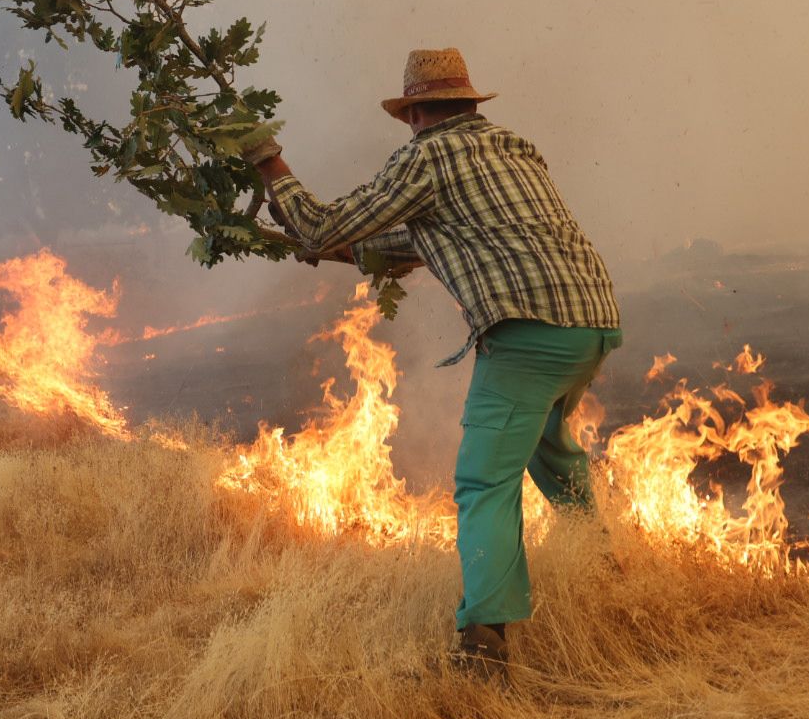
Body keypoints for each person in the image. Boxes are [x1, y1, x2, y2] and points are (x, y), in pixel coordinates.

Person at [244, 48, 621, 678]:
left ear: (416, 112)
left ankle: (484, 642)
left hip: (527, 333)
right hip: (593, 323)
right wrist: (330, 250)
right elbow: (402, 243)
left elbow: (321, 225)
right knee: (546, 448)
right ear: (470, 104)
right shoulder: (514, 149)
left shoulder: (428, 156)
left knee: (483, 484)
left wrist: (267, 161)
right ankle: (607, 570)